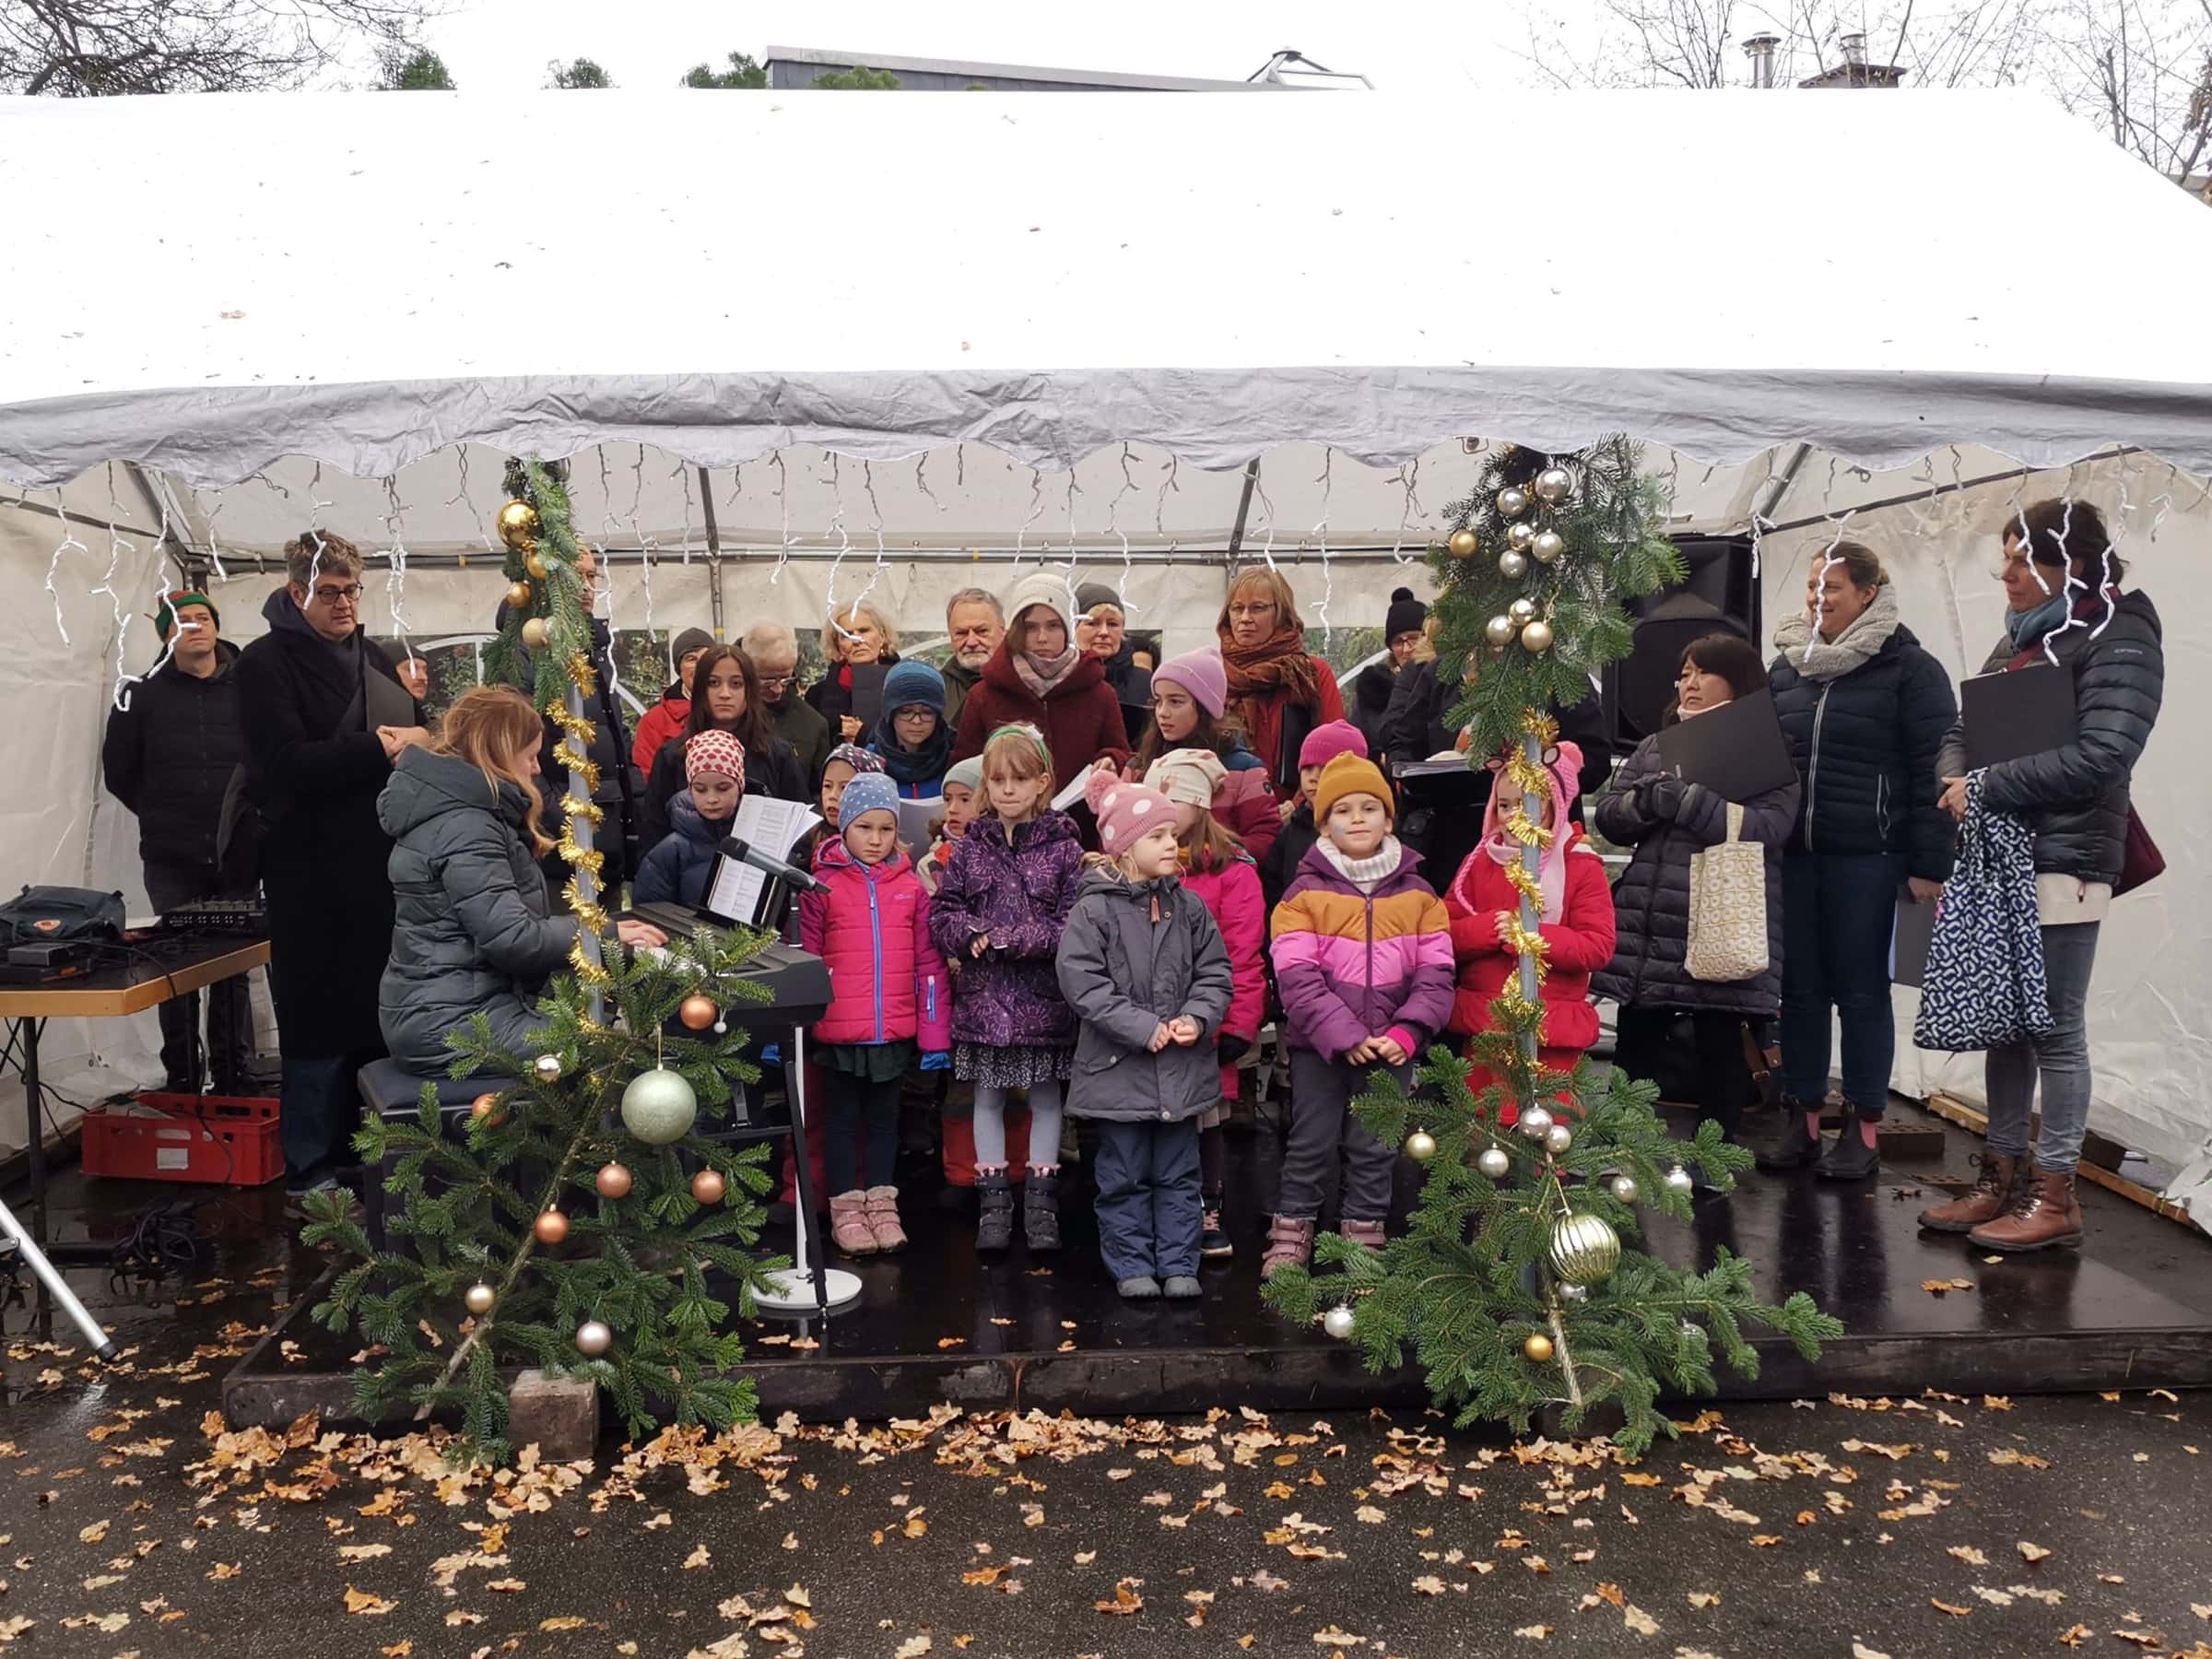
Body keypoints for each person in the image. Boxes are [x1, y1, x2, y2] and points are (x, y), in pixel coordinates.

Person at [1920, 500, 2162, 1252]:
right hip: (2002, 857)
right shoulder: (2023, 639)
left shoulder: (2120, 631)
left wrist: (1986, 788)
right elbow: (1963, 729)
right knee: (2007, 1027)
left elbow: (2105, 754)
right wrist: (1957, 779)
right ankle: (2002, 1178)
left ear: (2076, 563)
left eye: (2023, 561)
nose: (2006, 574)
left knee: (2055, 1030)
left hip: (2065, 858)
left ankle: (2056, 1196)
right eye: (2007, 558)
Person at [1759, 542, 1959, 1180]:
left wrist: (1931, 862)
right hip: (1798, 856)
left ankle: (1865, 1130)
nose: (1819, 598)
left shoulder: (1910, 669)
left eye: (1834, 588)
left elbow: (1936, 768)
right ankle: (1805, 1120)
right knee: (1800, 993)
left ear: (1870, 593)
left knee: (1863, 993)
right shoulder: (1787, 668)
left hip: (1869, 859)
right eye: (1813, 586)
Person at [238, 531, 427, 1203]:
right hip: (308, 874)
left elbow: (413, 732)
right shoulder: (262, 665)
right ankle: (309, 1165)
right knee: (316, 1020)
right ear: (296, 593)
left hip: (379, 870)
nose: (345, 603)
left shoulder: (371, 656)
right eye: (329, 592)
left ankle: (367, 1152)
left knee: (376, 1012)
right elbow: (285, 764)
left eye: (351, 591)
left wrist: (415, 727)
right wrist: (381, 744)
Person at [379, 688, 666, 1077]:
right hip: (452, 1023)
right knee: (613, 1053)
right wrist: (604, 934)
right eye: (530, 756)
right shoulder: (467, 827)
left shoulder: (459, 812)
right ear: (498, 753)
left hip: (445, 1009)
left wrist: (605, 932)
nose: (535, 769)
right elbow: (513, 939)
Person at [1595, 633, 1800, 1164]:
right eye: (1683, 673)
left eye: (1701, 672)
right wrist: (1647, 800)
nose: (1687, 682)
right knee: (1639, 1033)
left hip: (1722, 912)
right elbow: (1611, 818)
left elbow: (1770, 828)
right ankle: (1624, 1147)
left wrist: (1690, 802)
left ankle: (1714, 1155)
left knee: (1720, 1038)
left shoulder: (1764, 746)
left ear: (1738, 680)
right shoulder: (1656, 745)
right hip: (1653, 914)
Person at [1265, 752, 1454, 1278]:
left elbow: (1437, 976)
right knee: (1310, 1141)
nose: (1356, 818)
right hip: (1320, 1047)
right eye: (1342, 809)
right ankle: (1291, 1232)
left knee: (1375, 1146)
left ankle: (1364, 1237)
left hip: (1391, 1046)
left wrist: (1408, 1030)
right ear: (1323, 822)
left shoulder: (1420, 896)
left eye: (1369, 807)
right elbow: (1296, 977)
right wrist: (1343, 1033)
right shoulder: (1303, 896)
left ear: (1389, 818)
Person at [1057, 768, 1235, 1300]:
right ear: (1124, 848)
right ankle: (1132, 1264)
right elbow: (1082, 982)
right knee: (1124, 1175)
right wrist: (1143, 1028)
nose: (1172, 845)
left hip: (1180, 1073)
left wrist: (1198, 1018)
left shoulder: (1190, 907)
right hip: (1120, 1076)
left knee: (1181, 1174)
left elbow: (1216, 973)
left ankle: (1179, 1263)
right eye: (1158, 836)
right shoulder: (1093, 911)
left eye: (1173, 836)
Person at [927, 724, 1086, 1253]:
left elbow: (1072, 924)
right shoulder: (971, 849)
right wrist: (968, 936)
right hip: (985, 999)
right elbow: (944, 910)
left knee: (1045, 1098)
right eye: (998, 781)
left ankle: (1041, 1204)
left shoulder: (1066, 849)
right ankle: (992, 1204)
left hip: (1043, 999)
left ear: (1042, 782)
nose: (1008, 790)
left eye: (1019, 779)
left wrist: (1011, 939)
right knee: (987, 1097)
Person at [101, 591, 254, 1096]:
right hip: (171, 854)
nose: (195, 628)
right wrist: (161, 811)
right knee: (176, 965)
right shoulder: (140, 694)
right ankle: (182, 1077)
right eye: (183, 622)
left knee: (233, 966)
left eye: (202, 618)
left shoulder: (248, 685)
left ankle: (236, 1075)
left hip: (237, 851)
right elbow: (119, 770)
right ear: (167, 635)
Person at [801, 770, 952, 1257]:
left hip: (893, 1030)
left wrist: (933, 1037)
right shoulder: (820, 886)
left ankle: (883, 1204)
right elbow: (804, 956)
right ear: (844, 825)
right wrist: (798, 1024)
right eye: (865, 827)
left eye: (886, 829)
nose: (876, 839)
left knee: (886, 1121)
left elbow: (929, 966)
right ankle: (847, 1207)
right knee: (843, 1120)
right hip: (839, 1032)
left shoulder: (910, 888)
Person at [1444, 741, 1616, 1120]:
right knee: (1482, 1130)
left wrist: (1532, 935)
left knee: (1546, 1130)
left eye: (1525, 805)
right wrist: (1487, 929)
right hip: (1486, 1023)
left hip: (1552, 1029)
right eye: (1503, 805)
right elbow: (1443, 931)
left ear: (1553, 805)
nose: (1510, 816)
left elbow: (1597, 946)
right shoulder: (1479, 863)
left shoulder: (1580, 866)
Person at [1146, 748, 1265, 1259]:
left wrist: (1238, 1023)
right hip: (1151, 1020)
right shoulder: (1143, 866)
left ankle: (1207, 1207)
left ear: (1200, 804)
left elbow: (1244, 952)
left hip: (1206, 1022)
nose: (1169, 811)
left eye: (1178, 800)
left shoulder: (1233, 872)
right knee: (1157, 1120)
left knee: (1207, 1120)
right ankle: (1159, 1210)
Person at [948, 572, 1131, 783]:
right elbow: (963, 768)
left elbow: (1122, 752)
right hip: (1005, 815)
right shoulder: (983, 696)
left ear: (1067, 629)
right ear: (1016, 630)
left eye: (1053, 625)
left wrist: (1111, 759)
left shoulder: (1100, 693)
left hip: (1080, 814)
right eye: (1031, 627)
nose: (1042, 638)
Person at [639, 646, 806, 849]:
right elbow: (653, 837)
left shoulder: (777, 755)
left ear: (749, 690)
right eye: (713, 683)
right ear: (700, 690)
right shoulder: (672, 756)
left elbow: (799, 833)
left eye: (736, 684)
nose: (725, 694)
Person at [1129, 647, 1277, 861]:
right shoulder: (1138, 766)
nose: (1163, 712)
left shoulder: (1243, 769)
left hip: (1219, 883)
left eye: (1176, 701)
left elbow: (1266, 837)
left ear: (1204, 707)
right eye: (1158, 701)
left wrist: (1210, 854)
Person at [1218, 566, 1346, 796]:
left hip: (1303, 812)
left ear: (1281, 613)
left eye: (1257, 608)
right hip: (1230, 814)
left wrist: (1299, 806)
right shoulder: (1212, 673)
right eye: (1237, 608)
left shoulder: (1311, 672)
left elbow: (1335, 751)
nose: (1245, 618)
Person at [1260, 720, 1367, 911]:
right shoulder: (1290, 833)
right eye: (1307, 768)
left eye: (1325, 769)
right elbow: (1273, 892)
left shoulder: (1367, 832)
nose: (1313, 777)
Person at [632, 731, 745, 908]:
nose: (712, 799)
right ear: (690, 789)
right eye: (701, 789)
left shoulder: (759, 840)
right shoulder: (672, 851)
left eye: (723, 788)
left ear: (740, 787)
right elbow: (651, 912)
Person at [741, 623, 835, 795]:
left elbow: (820, 792)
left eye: (785, 679)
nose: (777, 689)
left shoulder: (813, 724)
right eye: (767, 680)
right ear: (747, 671)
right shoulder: (728, 716)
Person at [806, 601, 899, 745]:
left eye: (863, 631)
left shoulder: (904, 685)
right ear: (838, 646)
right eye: (846, 635)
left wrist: (864, 735)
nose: (856, 640)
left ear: (882, 637)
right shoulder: (817, 696)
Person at [629, 627, 716, 775]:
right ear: (679, 669)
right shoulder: (654, 722)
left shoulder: (733, 709)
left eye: (707, 658)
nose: (701, 665)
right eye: (691, 659)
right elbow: (647, 777)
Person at [1352, 587, 1427, 758]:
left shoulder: (1444, 684)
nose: (1407, 649)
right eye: (1398, 642)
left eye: (1414, 638)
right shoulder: (1373, 694)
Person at [869, 659, 952, 800]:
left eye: (927, 712)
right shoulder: (869, 761)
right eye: (906, 711)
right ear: (890, 713)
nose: (916, 721)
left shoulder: (953, 759)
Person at [940, 588, 1006, 734]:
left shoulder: (1024, 683)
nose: (971, 641)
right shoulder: (938, 689)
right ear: (950, 637)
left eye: (981, 631)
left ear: (1002, 632)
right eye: (961, 633)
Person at [920, 755, 983, 895]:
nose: (952, 809)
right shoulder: (931, 865)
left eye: (965, 799)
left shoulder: (1008, 856)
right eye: (948, 799)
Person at [1075, 582, 1147, 705]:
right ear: (1073, 628)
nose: (1104, 632)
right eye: (1093, 623)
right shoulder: (1059, 680)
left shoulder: (1145, 683)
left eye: (1112, 624)